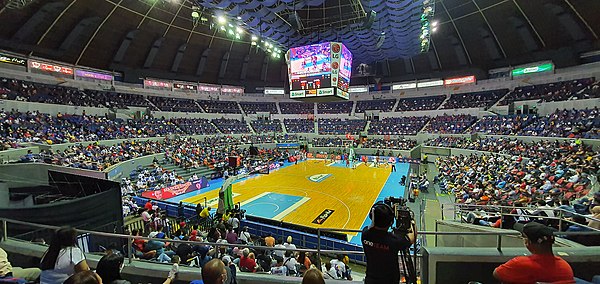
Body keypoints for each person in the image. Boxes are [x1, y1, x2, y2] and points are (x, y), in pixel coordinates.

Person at [493, 222, 574, 284]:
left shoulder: (520, 263)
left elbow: (497, 274)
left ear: (528, 242)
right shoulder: (565, 267)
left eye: (524, 237)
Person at [361, 202, 416, 284]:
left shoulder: (365, 234)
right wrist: (412, 221)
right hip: (390, 281)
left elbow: (370, 228)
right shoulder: (394, 241)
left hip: (370, 280)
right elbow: (412, 237)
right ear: (391, 222)